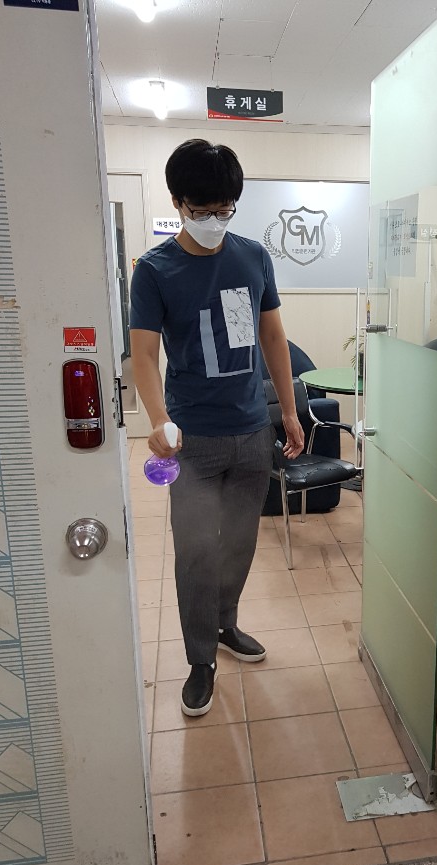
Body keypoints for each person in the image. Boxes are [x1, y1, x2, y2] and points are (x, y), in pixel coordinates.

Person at [130, 139, 304, 717]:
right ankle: (200, 659)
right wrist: (159, 419)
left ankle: (225, 625)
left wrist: (288, 411)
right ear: (177, 203)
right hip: (193, 442)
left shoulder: (253, 257)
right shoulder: (154, 270)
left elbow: (272, 336)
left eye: (224, 209)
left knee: (241, 544)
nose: (213, 220)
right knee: (197, 554)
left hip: (252, 432)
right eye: (201, 210)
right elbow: (144, 356)